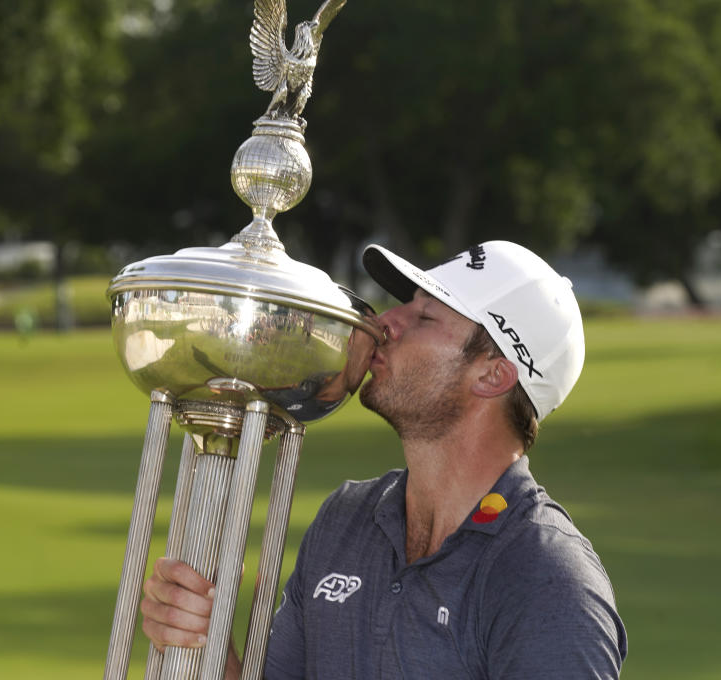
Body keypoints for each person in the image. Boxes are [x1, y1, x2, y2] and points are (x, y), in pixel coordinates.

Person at [141, 240, 628, 678]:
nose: (386, 322)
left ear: (492, 375)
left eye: (426, 317)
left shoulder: (547, 578)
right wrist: (206, 643)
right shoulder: (347, 518)